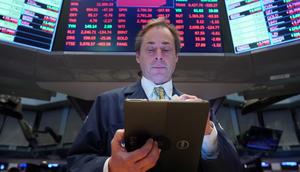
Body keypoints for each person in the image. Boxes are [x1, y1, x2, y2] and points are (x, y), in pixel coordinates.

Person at [67, 18, 243, 172]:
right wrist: (110, 167)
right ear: (138, 56)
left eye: (166, 49)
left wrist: (208, 136)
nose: (159, 56)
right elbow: (76, 162)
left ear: (176, 57)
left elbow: (233, 168)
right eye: (150, 50)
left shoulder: (199, 111)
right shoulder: (106, 103)